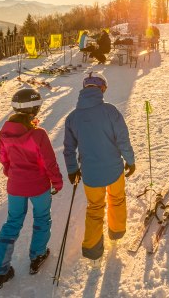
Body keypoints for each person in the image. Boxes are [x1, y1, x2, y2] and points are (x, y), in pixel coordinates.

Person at [0, 88, 63, 290]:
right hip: (38, 186)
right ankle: (37, 254)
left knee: (12, 223)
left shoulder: (4, 133)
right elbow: (49, 162)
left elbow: (3, 158)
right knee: (41, 218)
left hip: (15, 186)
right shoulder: (38, 134)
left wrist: (11, 172)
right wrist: (56, 182)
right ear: (35, 109)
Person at [63, 72, 135, 260]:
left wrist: (72, 170)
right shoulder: (111, 111)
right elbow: (123, 140)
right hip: (114, 170)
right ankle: (116, 233)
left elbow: (69, 149)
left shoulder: (72, 118)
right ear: (102, 89)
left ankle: (93, 251)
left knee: (95, 208)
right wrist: (130, 160)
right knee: (117, 199)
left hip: (91, 174)